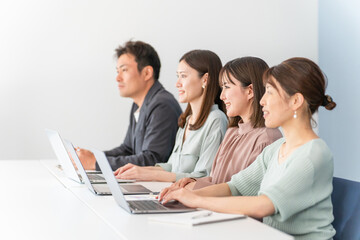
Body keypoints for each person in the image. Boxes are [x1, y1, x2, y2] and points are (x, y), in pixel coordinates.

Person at [159, 57, 336, 239]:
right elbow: (234, 187)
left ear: (296, 101)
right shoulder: (275, 149)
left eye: (270, 92)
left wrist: (196, 200)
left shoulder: (313, 153)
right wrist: (183, 195)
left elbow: (264, 205)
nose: (262, 101)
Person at [167, 57, 282, 191]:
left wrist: (194, 189)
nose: (222, 96)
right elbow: (216, 179)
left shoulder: (267, 138)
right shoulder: (232, 132)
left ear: (250, 91)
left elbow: (241, 192)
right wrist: (192, 182)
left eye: (227, 87)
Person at [114, 50, 228, 182]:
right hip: (171, 192)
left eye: (183, 76)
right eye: (177, 76)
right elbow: (172, 167)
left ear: (205, 80)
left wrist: (151, 175)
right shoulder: (187, 121)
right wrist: (139, 170)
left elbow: (204, 177)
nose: (177, 84)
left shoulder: (216, 120)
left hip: (190, 199)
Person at [76, 40, 182, 171]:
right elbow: (128, 149)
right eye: (117, 71)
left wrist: (97, 163)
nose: (118, 78)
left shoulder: (162, 105)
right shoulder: (138, 104)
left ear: (147, 73)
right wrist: (93, 157)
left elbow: (153, 160)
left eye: (124, 70)